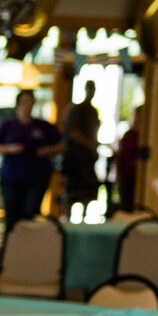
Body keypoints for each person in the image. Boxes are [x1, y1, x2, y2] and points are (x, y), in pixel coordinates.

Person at [0, 89, 62, 227]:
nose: (27, 105)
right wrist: (10, 149)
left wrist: (48, 150)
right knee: (12, 217)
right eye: (24, 101)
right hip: (12, 177)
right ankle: (10, 247)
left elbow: (62, 144)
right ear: (18, 104)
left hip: (36, 178)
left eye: (30, 101)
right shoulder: (8, 126)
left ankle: (29, 247)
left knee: (30, 215)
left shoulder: (43, 126)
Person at [60, 84, 103, 218]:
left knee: (87, 193)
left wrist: (93, 147)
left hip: (88, 159)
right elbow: (73, 133)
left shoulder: (93, 111)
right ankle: (67, 222)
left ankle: (83, 220)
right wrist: (90, 145)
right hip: (75, 158)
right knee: (72, 193)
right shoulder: (76, 110)